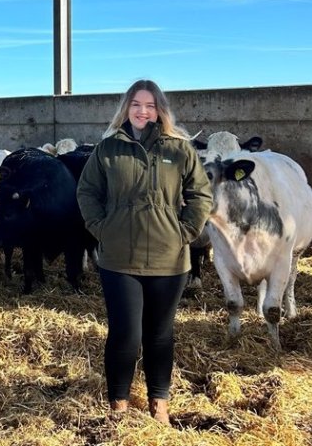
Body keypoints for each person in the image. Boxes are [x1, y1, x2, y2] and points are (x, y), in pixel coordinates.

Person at [76, 79, 213, 424]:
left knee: (160, 334)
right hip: (119, 258)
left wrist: (185, 231)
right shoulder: (108, 149)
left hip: (170, 259)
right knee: (126, 333)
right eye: (136, 104)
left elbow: (201, 195)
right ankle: (119, 404)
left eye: (150, 105)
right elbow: (87, 192)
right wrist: (102, 228)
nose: (142, 111)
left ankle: (159, 404)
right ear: (127, 108)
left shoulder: (179, 149)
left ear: (159, 110)